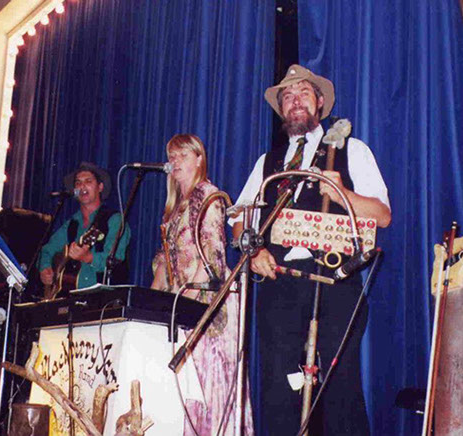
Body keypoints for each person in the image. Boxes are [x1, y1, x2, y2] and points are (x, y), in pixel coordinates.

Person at [230, 65, 391, 435]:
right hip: (280, 285)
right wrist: (252, 251)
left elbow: (382, 215)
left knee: (339, 392)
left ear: (319, 102)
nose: (295, 100)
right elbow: (240, 218)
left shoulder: (352, 150)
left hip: (335, 283)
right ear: (282, 110)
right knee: (279, 388)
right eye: (287, 96)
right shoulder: (268, 162)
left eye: (303, 92)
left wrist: (343, 195)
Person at [151, 134, 253, 436]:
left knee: (208, 382)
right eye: (172, 156)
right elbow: (164, 263)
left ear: (199, 159)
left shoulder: (208, 195)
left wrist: (188, 303)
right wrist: (152, 302)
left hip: (206, 302)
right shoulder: (174, 207)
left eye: (183, 155)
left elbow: (210, 253)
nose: (175, 162)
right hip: (181, 299)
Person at [39, 162, 130, 297]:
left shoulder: (115, 220)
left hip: (103, 300)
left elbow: (115, 260)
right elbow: (46, 250)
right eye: (78, 183)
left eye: (88, 181)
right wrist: (45, 268)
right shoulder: (72, 224)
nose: (82, 186)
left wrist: (89, 258)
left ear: (100, 187)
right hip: (69, 298)